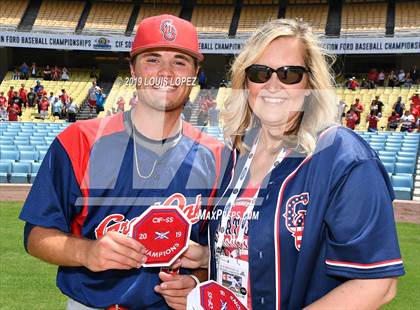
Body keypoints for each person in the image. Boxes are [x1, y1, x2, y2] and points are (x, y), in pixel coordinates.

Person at [161, 19, 404, 309]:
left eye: (289, 74)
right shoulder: (237, 154)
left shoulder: (343, 156)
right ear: (245, 83)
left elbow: (378, 283)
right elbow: (258, 247)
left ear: (310, 83)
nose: (272, 85)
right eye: (260, 73)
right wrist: (205, 260)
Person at [19, 14, 225, 310]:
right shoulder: (79, 140)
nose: (166, 72)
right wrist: (87, 252)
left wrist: (199, 279)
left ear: (195, 73)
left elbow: (222, 251)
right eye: (152, 59)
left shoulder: (216, 156)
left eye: (180, 61)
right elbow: (37, 235)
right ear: (132, 68)